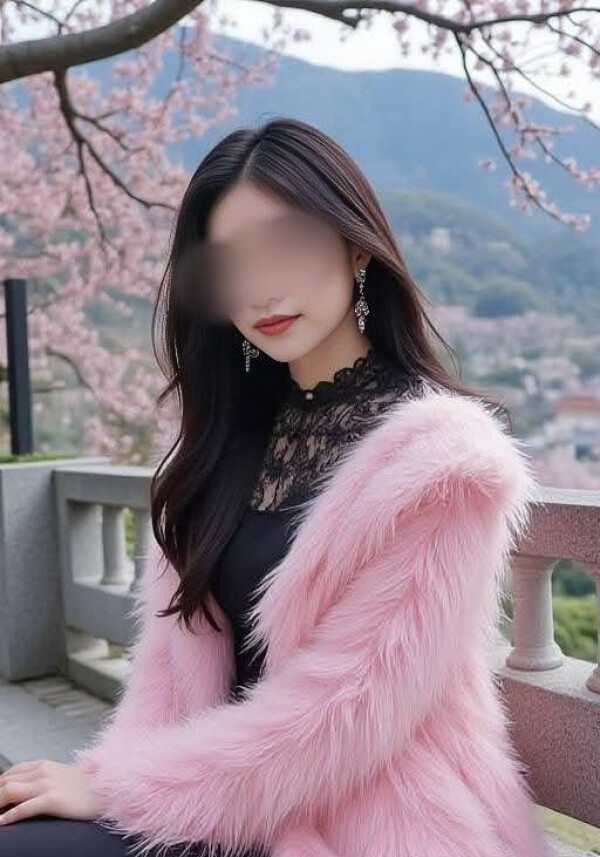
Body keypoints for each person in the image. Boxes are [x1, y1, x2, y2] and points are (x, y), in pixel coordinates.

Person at [0, 116, 551, 857]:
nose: (259, 288)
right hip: (211, 802)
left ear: (357, 246)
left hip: (371, 819)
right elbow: (168, 671)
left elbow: (345, 709)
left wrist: (124, 789)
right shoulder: (221, 443)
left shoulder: (445, 462)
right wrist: (108, 775)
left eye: (286, 245)